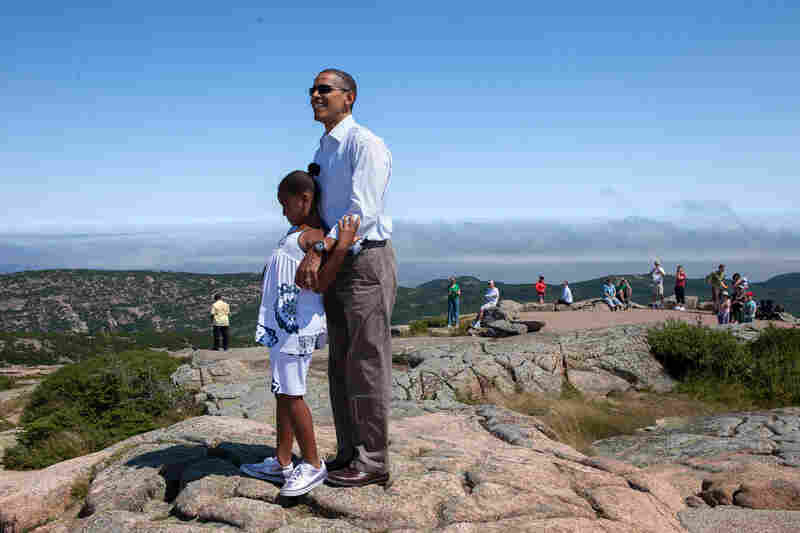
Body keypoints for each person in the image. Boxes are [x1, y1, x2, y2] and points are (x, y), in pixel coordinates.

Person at [295, 68, 397, 488]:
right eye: (313, 90)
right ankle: (348, 452)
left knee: (367, 363)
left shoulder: (364, 144)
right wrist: (314, 242)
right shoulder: (325, 147)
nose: (316, 95)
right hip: (338, 260)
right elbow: (325, 210)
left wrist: (322, 251)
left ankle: (372, 461)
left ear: (349, 97)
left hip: (364, 261)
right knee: (340, 362)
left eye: (325, 89)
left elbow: (362, 212)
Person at [240, 171, 360, 497]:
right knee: (283, 392)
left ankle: (311, 462)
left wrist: (336, 245)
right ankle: (282, 461)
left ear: (304, 199)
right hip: (284, 327)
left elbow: (322, 278)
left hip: (295, 328)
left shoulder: (312, 235)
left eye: (285, 203)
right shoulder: (297, 234)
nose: (282, 210)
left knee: (292, 395)